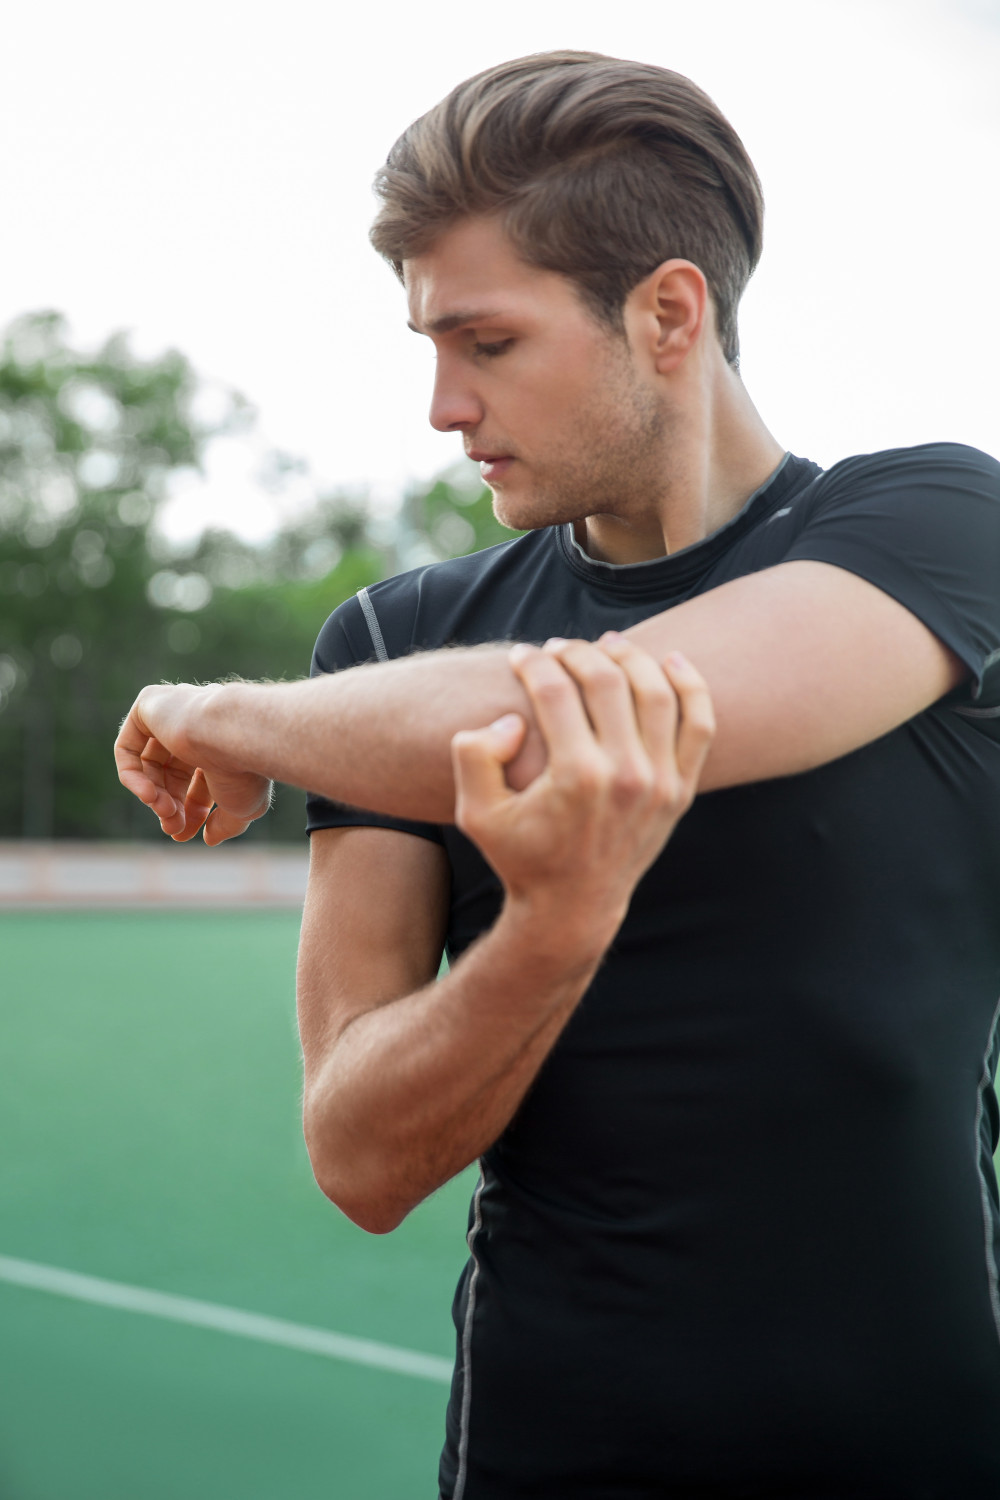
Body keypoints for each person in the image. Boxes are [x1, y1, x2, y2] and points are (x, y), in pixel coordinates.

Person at [115, 51, 1000, 1498]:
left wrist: (215, 712)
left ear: (667, 312)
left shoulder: (935, 524)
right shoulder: (397, 643)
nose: (443, 406)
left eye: (488, 343)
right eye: (428, 347)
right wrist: (550, 935)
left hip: (931, 1443)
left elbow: (616, 706)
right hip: (553, 1451)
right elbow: (359, 1158)